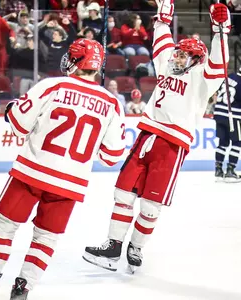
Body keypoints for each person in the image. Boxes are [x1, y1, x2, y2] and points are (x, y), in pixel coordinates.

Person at [0, 38, 126, 300]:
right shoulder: (112, 103)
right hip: (71, 183)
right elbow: (111, 156)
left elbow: (18, 122)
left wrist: (13, 109)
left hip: (32, 170)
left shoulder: (53, 86)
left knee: (5, 226)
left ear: (76, 60)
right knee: (46, 238)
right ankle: (22, 290)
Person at [83, 1, 230, 274]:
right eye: (177, 53)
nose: (176, 57)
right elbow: (162, 40)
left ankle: (136, 246)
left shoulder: (203, 78)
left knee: (151, 204)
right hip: (146, 136)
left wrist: (221, 30)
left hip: (172, 146)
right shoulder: (167, 63)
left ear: (196, 60)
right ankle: (114, 245)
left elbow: (219, 62)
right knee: (123, 192)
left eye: (183, 55)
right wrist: (163, 17)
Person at [214, 59, 241, 182]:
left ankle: (218, 170)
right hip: (232, 117)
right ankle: (230, 171)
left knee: (223, 143)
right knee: (237, 143)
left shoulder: (229, 77)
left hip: (219, 114)